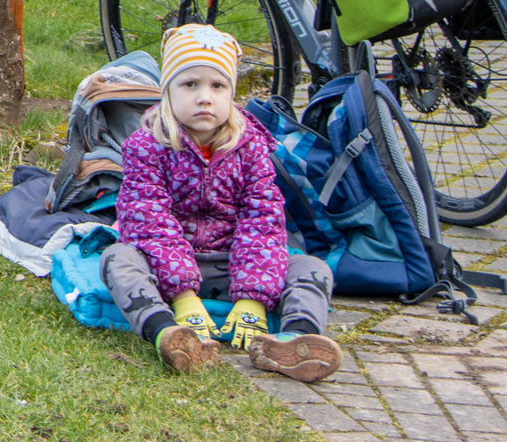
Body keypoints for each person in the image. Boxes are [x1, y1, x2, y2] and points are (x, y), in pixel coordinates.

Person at [99, 24, 341, 382]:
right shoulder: (146, 146)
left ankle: (292, 340)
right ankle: (168, 333)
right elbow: (148, 222)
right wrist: (181, 295)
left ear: (231, 94)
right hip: (164, 262)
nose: (204, 97)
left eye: (217, 86)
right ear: (167, 93)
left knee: (312, 268)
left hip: (232, 264)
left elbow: (262, 222)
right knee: (116, 258)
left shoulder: (253, 148)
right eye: (189, 84)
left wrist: (254, 296)